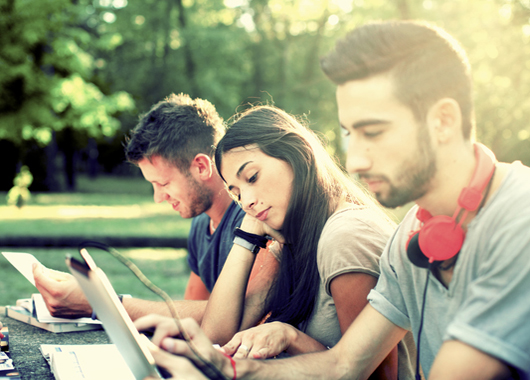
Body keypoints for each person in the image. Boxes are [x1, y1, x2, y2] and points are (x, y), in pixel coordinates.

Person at [134, 20, 530, 380]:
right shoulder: (412, 235)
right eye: (349, 135)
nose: (355, 160)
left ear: (443, 120)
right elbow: (344, 364)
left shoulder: (520, 217)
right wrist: (228, 368)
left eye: (372, 132)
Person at [139, 105, 416, 379]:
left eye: (252, 178)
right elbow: (217, 334)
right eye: (235, 193)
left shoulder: (346, 235)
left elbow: (376, 374)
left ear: (297, 155)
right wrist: (248, 233)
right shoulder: (289, 240)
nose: (245, 200)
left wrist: (290, 337)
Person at [33, 93, 277, 322]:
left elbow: (247, 314)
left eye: (163, 183)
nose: (158, 197)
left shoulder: (254, 216)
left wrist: (106, 304)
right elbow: (192, 313)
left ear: (201, 167)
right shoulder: (201, 223)